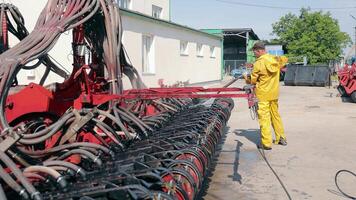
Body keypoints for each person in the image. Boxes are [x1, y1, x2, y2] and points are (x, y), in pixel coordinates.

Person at [244, 42, 288, 150]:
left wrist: (246, 76)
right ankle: (281, 137)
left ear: (259, 51)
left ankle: (266, 143)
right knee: (275, 116)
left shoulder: (258, 64)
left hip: (263, 94)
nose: (254, 55)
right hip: (274, 94)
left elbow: (253, 80)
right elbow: (284, 59)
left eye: (255, 52)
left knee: (264, 118)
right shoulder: (275, 59)